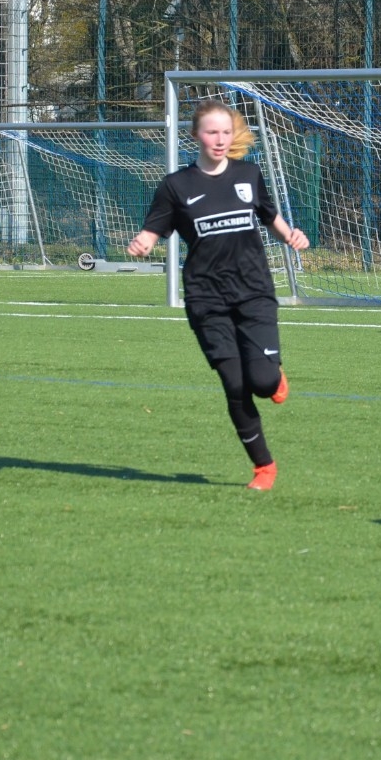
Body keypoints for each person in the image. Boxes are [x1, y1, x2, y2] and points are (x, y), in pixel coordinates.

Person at [127, 100, 309, 491]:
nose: (220, 139)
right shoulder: (177, 186)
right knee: (235, 386)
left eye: (226, 132)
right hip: (207, 299)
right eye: (212, 132)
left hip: (254, 291)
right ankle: (263, 467)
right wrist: (143, 241)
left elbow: (268, 216)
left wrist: (291, 235)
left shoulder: (248, 174)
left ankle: (273, 378)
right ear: (196, 135)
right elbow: (154, 229)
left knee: (262, 382)